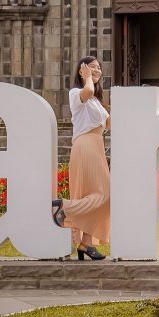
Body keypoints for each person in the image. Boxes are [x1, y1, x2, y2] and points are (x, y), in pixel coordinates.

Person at [51, 56, 111, 260]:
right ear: (81, 70)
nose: (96, 70)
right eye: (91, 67)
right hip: (85, 145)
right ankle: (63, 207)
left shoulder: (96, 101)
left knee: (95, 195)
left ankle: (86, 244)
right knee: (104, 194)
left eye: (98, 67)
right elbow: (88, 90)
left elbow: (110, 124)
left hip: (96, 146)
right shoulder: (78, 93)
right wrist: (87, 78)